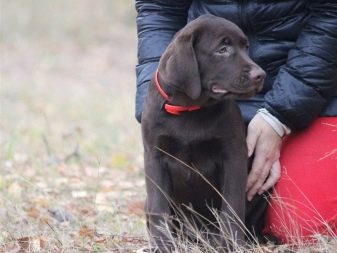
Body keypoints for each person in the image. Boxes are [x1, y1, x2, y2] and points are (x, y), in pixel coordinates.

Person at [134, 0, 337, 243]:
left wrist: (280, 115)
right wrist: (162, 91)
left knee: (305, 225)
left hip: (310, 92)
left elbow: (332, 16)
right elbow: (159, 10)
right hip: (205, 89)